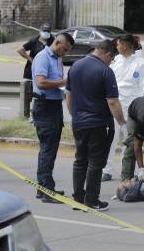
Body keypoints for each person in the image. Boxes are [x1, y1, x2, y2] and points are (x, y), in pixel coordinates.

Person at [66, 40, 126, 212]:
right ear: (107, 54)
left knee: (80, 160)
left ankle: (78, 198)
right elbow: (113, 102)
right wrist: (122, 123)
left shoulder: (76, 66)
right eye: (112, 59)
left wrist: (74, 115)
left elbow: (68, 95)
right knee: (96, 162)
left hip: (79, 122)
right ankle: (92, 200)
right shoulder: (105, 71)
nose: (111, 62)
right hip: (99, 123)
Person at [32, 33, 74, 203]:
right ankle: (46, 190)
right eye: (64, 49)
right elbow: (41, 82)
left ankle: (43, 188)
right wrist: (64, 81)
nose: (65, 53)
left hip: (54, 105)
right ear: (57, 43)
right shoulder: (43, 57)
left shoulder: (57, 58)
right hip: (45, 106)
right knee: (48, 149)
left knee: (49, 149)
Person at [102, 33, 144, 181]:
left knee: (129, 141)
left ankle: (127, 170)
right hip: (115, 105)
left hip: (132, 108)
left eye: (118, 44)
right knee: (110, 138)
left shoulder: (141, 63)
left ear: (126, 45)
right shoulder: (115, 61)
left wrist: (142, 111)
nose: (116, 46)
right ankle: (107, 169)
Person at [17, 23, 55, 123]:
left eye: (48, 31)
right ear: (40, 31)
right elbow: (20, 50)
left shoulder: (52, 41)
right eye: (44, 31)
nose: (46, 33)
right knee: (31, 94)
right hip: (32, 71)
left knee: (41, 94)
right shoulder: (34, 40)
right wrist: (31, 59)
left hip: (46, 72)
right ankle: (32, 115)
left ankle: (39, 115)